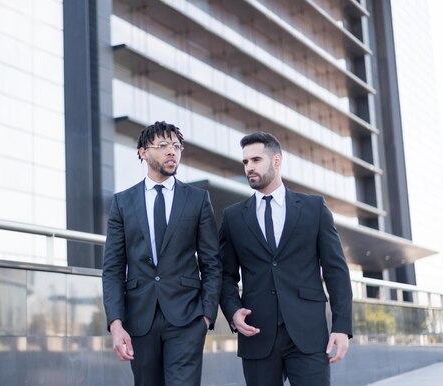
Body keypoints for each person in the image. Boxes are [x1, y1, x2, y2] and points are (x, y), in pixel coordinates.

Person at [219, 132, 353, 386]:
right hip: (256, 333)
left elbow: (336, 270)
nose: (249, 167)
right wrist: (233, 311)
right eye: (245, 162)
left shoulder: (314, 208)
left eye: (256, 160)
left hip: (309, 333)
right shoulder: (233, 217)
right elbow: (225, 275)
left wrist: (341, 326)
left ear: (277, 160)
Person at [102, 121, 221, 386]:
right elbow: (112, 267)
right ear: (143, 152)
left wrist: (206, 315)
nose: (172, 152)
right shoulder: (122, 202)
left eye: (177, 146)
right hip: (139, 319)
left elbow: (211, 262)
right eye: (164, 145)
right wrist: (116, 323)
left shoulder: (197, 199)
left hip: (188, 318)